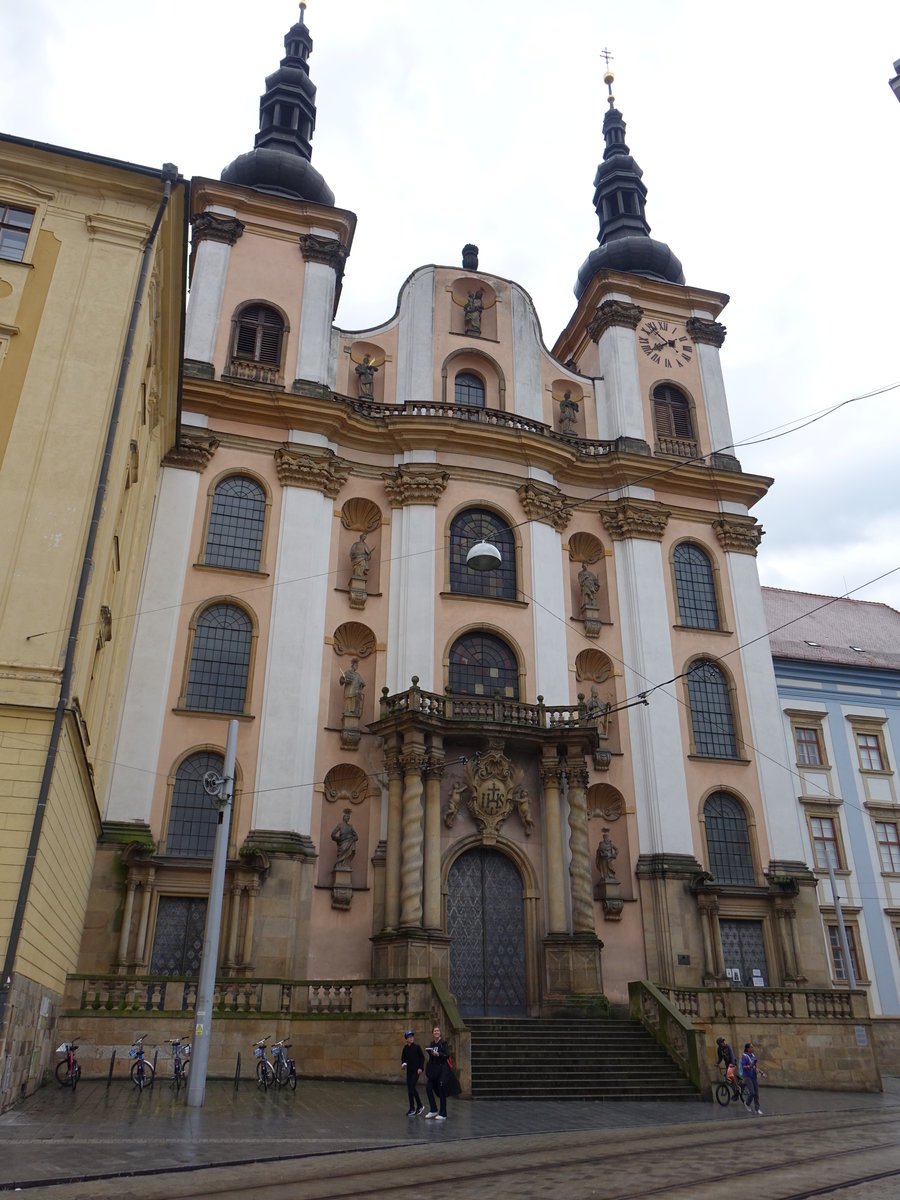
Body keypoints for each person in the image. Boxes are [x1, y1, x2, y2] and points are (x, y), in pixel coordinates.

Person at [424, 1025, 461, 1119]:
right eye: (435, 1031)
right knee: (428, 1087)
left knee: (441, 1089)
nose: (436, 1032)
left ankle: (443, 1113)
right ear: (432, 1033)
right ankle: (433, 1109)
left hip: (442, 1069)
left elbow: (447, 1055)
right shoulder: (432, 1044)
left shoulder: (443, 1043)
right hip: (434, 1070)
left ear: (440, 1033)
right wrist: (431, 1054)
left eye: (438, 1031)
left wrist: (438, 1054)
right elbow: (432, 1058)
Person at [400, 1030, 425, 1116]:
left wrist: (421, 1068)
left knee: (412, 1087)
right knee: (410, 1089)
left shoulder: (417, 1047)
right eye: (409, 1037)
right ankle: (412, 1108)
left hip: (416, 1071)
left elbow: (422, 1058)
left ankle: (420, 1105)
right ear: (406, 1039)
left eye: (412, 1037)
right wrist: (403, 1064)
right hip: (409, 1071)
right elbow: (403, 1058)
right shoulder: (405, 1048)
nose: (411, 1038)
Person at [740, 1041, 763, 1114]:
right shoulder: (744, 1056)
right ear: (748, 1049)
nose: (753, 1048)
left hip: (754, 1076)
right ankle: (747, 1103)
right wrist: (749, 1066)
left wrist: (760, 1071)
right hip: (747, 1076)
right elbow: (743, 1066)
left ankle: (757, 1109)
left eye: (753, 1047)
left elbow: (755, 1066)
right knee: (752, 1092)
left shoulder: (753, 1056)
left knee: (756, 1093)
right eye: (751, 1047)